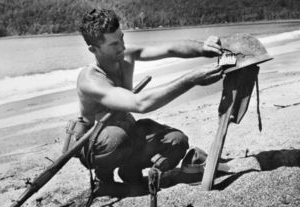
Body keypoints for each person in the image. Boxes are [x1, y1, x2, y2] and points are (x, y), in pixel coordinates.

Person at [77, 9, 223, 185]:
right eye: (114, 44)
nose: (122, 46)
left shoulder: (124, 54)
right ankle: (104, 177)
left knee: (177, 141)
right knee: (116, 138)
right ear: (94, 49)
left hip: (127, 132)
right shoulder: (90, 80)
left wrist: (202, 48)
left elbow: (169, 49)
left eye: (122, 38)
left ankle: (130, 169)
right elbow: (141, 103)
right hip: (98, 143)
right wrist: (190, 80)